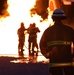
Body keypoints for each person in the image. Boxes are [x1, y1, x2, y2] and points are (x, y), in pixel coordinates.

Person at [39, 8, 74, 75]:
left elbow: (42, 44)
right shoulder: (69, 30)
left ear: (53, 18)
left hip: (54, 61)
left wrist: (47, 55)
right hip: (67, 61)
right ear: (63, 18)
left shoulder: (48, 31)